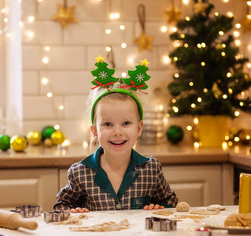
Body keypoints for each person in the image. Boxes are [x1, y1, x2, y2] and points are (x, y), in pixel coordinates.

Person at [53, 56, 178, 213]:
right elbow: (61, 206)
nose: (117, 132)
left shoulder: (151, 169)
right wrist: (72, 213)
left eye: (126, 123)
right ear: (95, 132)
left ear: (139, 128)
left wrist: (160, 208)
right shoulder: (80, 173)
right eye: (107, 124)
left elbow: (170, 202)